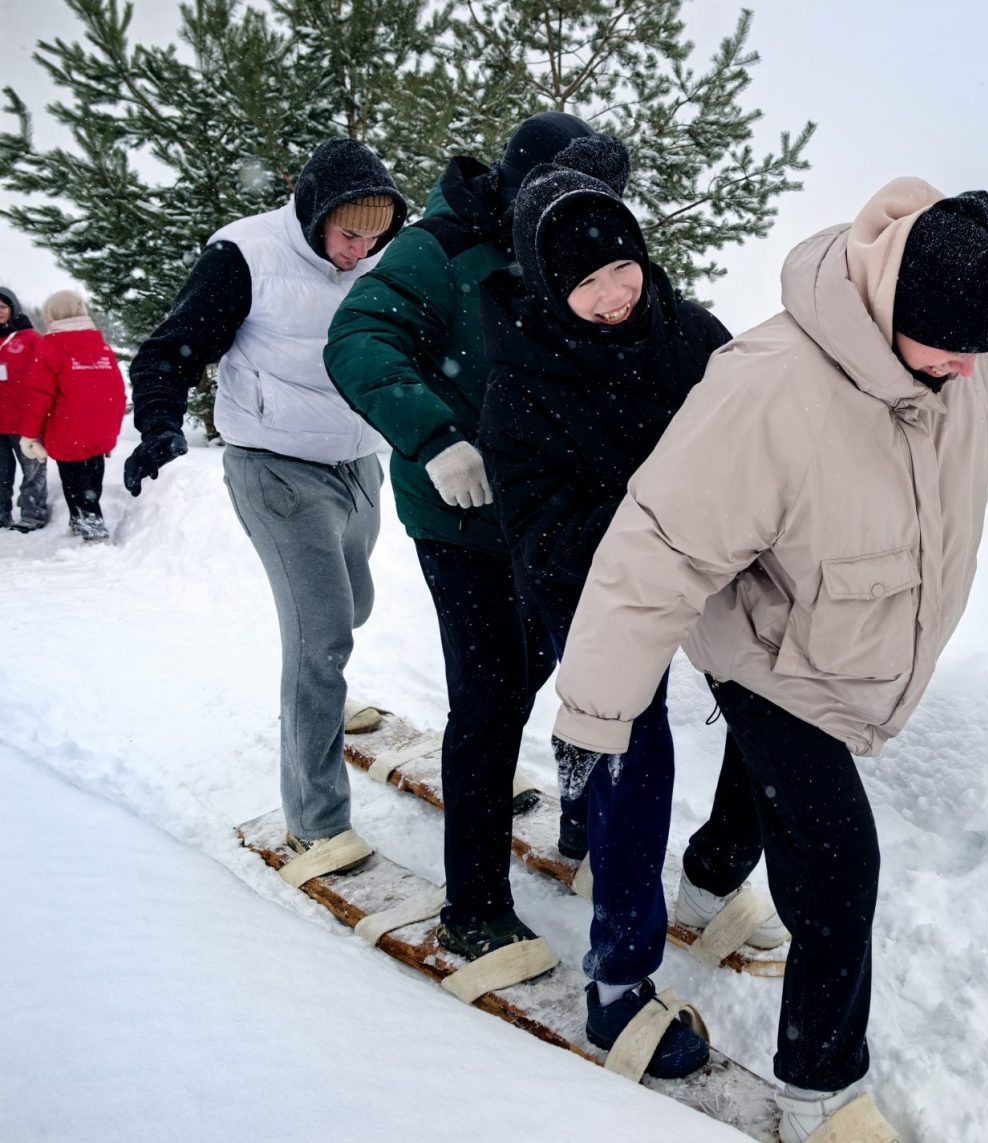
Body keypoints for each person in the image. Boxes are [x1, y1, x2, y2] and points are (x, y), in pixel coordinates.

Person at [547, 177, 988, 1140]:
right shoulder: (771, 386)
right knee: (839, 860)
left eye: (985, 351)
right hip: (772, 653)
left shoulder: (958, 358)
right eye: (954, 350)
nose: (971, 372)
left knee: (767, 795)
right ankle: (821, 1087)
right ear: (895, 305)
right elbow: (657, 550)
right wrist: (594, 716)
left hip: (841, 649)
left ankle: (709, 877)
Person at [476, 135, 785, 1080]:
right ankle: (617, 988)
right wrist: (652, 524)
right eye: (589, 283)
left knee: (776, 713)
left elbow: (763, 432)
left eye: (624, 267)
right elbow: (539, 538)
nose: (616, 293)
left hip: (713, 569)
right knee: (633, 759)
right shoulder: (518, 386)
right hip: (600, 589)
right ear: (544, 284)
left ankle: (712, 872)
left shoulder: (691, 334)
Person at [324, 112, 607, 961]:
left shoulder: (561, 243)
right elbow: (359, 337)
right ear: (522, 187)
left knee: (553, 673)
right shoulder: (438, 248)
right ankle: (474, 905)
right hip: (459, 515)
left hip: (545, 515)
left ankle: (566, 817)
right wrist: (435, 437)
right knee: (487, 700)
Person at [125, 138, 406, 872]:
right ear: (314, 216)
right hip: (276, 466)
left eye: (376, 238)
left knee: (354, 606)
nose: (360, 251)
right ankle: (316, 821)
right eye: (350, 235)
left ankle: (322, 700)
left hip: (356, 463)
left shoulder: (381, 258)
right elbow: (170, 350)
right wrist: (157, 426)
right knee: (321, 639)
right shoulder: (245, 256)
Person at [14, 290, 126, 542]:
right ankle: (79, 520)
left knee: (74, 481)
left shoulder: (50, 347)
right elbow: (117, 391)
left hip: (67, 430)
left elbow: (39, 395)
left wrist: (30, 434)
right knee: (93, 475)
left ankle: (92, 527)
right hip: (100, 428)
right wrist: (112, 428)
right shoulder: (102, 348)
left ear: (51, 314)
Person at [0, 287, 50, 532]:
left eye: (2, 307)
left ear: (13, 309)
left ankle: (33, 514)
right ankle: (1, 514)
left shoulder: (30, 339)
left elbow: (46, 376)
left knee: (33, 472)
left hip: (24, 421)